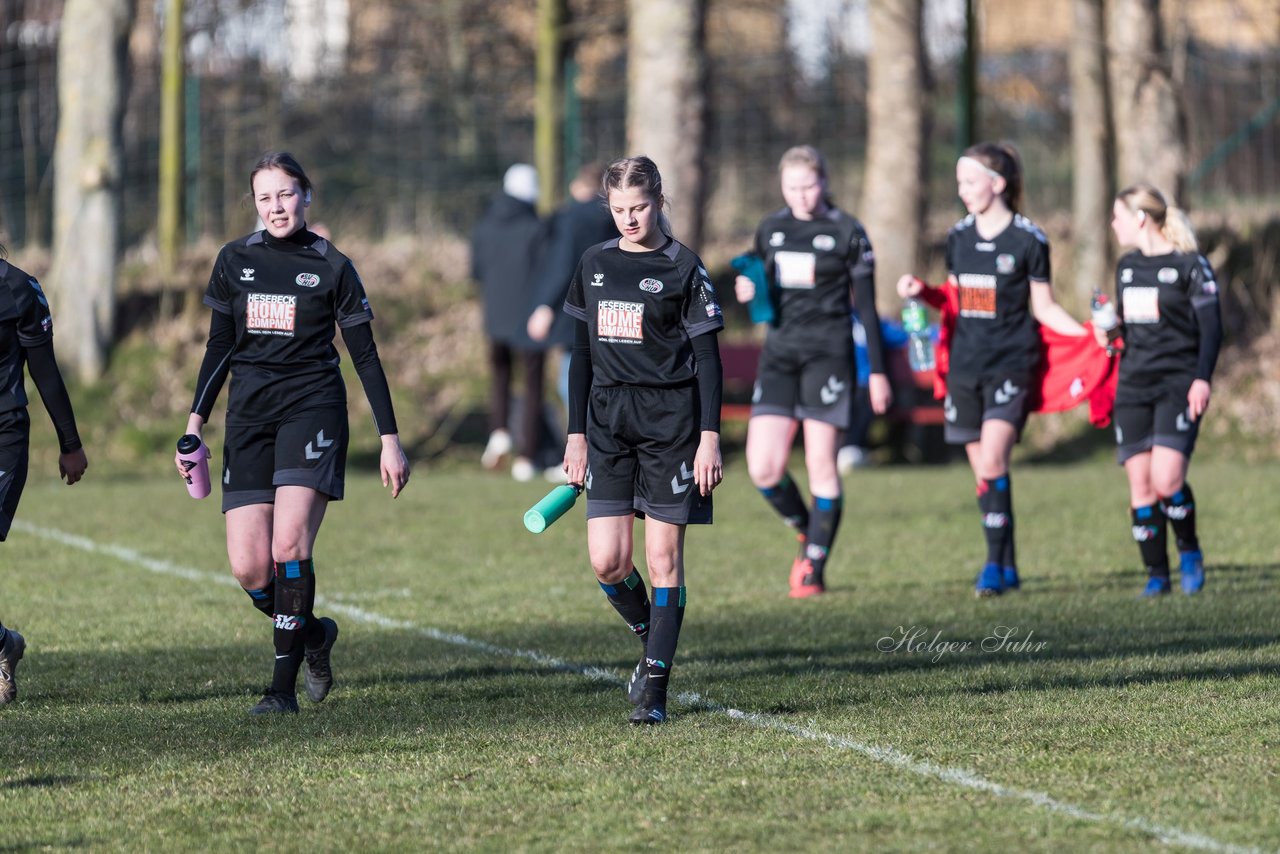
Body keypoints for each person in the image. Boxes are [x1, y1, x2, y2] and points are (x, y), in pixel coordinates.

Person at [176, 151, 410, 715]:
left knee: (288, 546)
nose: (276, 206)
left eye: (285, 194)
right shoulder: (234, 260)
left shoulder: (333, 266)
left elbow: (366, 357)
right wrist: (193, 423)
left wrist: (389, 438)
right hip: (249, 417)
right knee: (250, 568)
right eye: (264, 197)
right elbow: (218, 347)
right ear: (254, 204)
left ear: (306, 195)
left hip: (313, 409)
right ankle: (312, 636)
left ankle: (280, 691)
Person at [562, 155, 723, 725]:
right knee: (608, 561)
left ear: (659, 201)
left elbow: (707, 359)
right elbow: (579, 354)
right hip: (607, 423)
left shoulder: (684, 266)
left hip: (672, 425)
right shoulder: (594, 262)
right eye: (619, 210)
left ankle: (654, 689)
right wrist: (575, 435)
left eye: (639, 207)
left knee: (662, 558)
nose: (629, 220)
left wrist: (709, 437)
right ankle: (651, 640)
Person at [898, 142, 1091, 597]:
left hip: (1011, 364)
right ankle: (1006, 564)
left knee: (992, 459)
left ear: (997, 183)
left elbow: (1043, 308)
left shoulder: (1029, 240)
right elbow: (957, 297)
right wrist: (923, 292)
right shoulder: (958, 237)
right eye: (960, 182)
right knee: (985, 475)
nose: (962, 190)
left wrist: (1086, 337)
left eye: (970, 181)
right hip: (964, 368)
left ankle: (991, 566)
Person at [734, 145, 892, 598]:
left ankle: (814, 566)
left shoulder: (847, 232)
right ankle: (810, 528)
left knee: (822, 461)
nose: (802, 196)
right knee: (763, 468)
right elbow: (757, 278)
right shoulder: (772, 228)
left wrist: (878, 373)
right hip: (780, 356)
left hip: (829, 358)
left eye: (809, 186)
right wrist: (748, 288)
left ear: (824, 182)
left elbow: (869, 310)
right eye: (792, 188)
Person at [1103, 183, 1221, 597]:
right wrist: (1108, 329)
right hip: (1134, 385)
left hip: (1178, 384)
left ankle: (1188, 549)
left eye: (1117, 216)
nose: (1112, 224)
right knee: (1141, 486)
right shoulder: (1127, 266)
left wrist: (1201, 378)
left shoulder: (1191, 266)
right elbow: (1127, 327)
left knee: (1167, 479)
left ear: (1139, 219)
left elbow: (1211, 331)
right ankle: (1157, 575)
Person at [0, 244, 89, 705]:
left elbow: (45, 371)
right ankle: (3, 645)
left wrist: (70, 443)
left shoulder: (18, 288)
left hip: (4, 431)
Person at [471, 163, 549, 481]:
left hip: (494, 317)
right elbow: (546, 273)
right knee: (532, 385)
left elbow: (476, 272)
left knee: (500, 377)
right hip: (529, 318)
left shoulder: (483, 226)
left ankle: (500, 431)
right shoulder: (537, 228)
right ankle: (527, 457)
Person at [527, 162, 617, 413]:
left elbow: (563, 265)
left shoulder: (571, 218)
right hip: (614, 308)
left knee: (571, 378)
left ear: (578, 186)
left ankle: (583, 436)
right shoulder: (618, 217)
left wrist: (545, 305)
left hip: (578, 308)